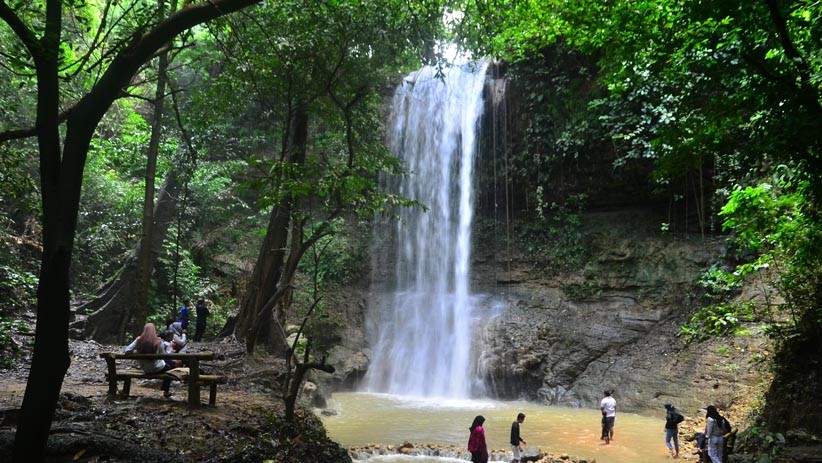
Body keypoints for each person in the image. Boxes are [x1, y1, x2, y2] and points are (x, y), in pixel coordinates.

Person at [124, 323, 180, 398]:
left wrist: (138, 353)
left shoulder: (139, 340)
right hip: (157, 368)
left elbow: (127, 350)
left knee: (168, 365)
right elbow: (163, 355)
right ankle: (166, 391)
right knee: (169, 368)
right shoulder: (158, 341)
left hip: (145, 368)